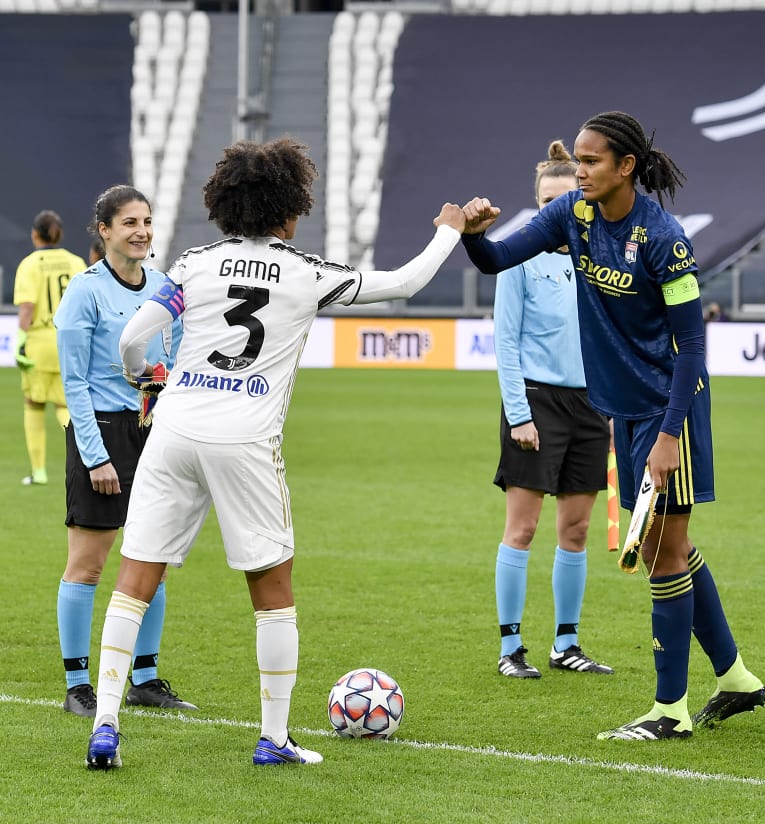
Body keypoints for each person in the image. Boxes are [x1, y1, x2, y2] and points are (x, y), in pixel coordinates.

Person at [84, 136, 467, 770]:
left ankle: (104, 725)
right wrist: (449, 231)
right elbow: (404, 282)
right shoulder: (308, 274)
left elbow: (132, 336)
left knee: (136, 580)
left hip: (175, 428)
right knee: (271, 589)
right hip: (244, 440)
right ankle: (274, 738)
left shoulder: (195, 262)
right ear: (290, 208)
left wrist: (142, 376)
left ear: (226, 204)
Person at [460, 111, 765, 740]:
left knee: (665, 551)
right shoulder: (572, 214)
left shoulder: (663, 239)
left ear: (627, 166)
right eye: (578, 158)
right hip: (623, 410)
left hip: (668, 407)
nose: (581, 169)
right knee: (660, 547)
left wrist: (669, 435)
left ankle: (669, 711)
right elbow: (495, 259)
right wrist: (471, 232)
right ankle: (735, 677)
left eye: (593, 160)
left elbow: (692, 347)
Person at [54, 185, 197, 718]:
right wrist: (95, 456)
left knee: (151, 556)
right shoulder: (84, 293)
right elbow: (75, 384)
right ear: (105, 231)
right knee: (87, 565)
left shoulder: (165, 287)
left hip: (154, 431)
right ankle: (77, 685)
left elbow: (179, 358)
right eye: (129, 222)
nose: (141, 231)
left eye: (147, 221)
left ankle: (145, 678)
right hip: (103, 434)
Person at [493, 141, 613, 680]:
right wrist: (519, 413)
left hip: (591, 406)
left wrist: (612, 408)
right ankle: (510, 648)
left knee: (578, 530)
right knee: (522, 530)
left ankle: (566, 644)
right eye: (544, 201)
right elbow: (506, 342)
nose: (552, 210)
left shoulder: (600, 257)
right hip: (536, 403)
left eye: (562, 200)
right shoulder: (520, 257)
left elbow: (613, 340)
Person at [13, 210, 86, 486]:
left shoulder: (30, 264)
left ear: (35, 234)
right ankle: (88, 456)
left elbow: (28, 306)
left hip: (40, 341)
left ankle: (39, 472)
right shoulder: (76, 262)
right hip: (70, 341)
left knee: (33, 403)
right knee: (66, 404)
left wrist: (21, 341)